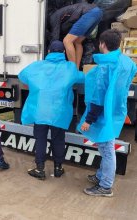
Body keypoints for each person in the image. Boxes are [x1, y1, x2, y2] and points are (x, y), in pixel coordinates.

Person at [78, 29, 137, 197]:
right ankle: (100, 176)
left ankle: (105, 186)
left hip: (104, 113)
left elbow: (98, 97)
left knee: (107, 149)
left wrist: (88, 120)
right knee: (107, 145)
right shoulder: (127, 62)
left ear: (102, 44)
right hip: (117, 110)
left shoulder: (104, 67)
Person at [18, 40, 85, 180]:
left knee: (40, 139)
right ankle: (58, 168)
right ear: (64, 53)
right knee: (58, 139)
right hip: (59, 113)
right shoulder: (70, 68)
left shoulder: (37, 66)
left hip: (40, 111)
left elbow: (22, 75)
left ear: (48, 52)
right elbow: (83, 78)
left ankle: (40, 169)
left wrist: (34, 83)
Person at [50, 2, 103, 67]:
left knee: (67, 41)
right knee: (77, 42)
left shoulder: (53, 18)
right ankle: (76, 69)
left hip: (89, 12)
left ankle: (73, 69)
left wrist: (50, 49)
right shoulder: (61, 13)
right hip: (98, 13)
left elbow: (55, 38)